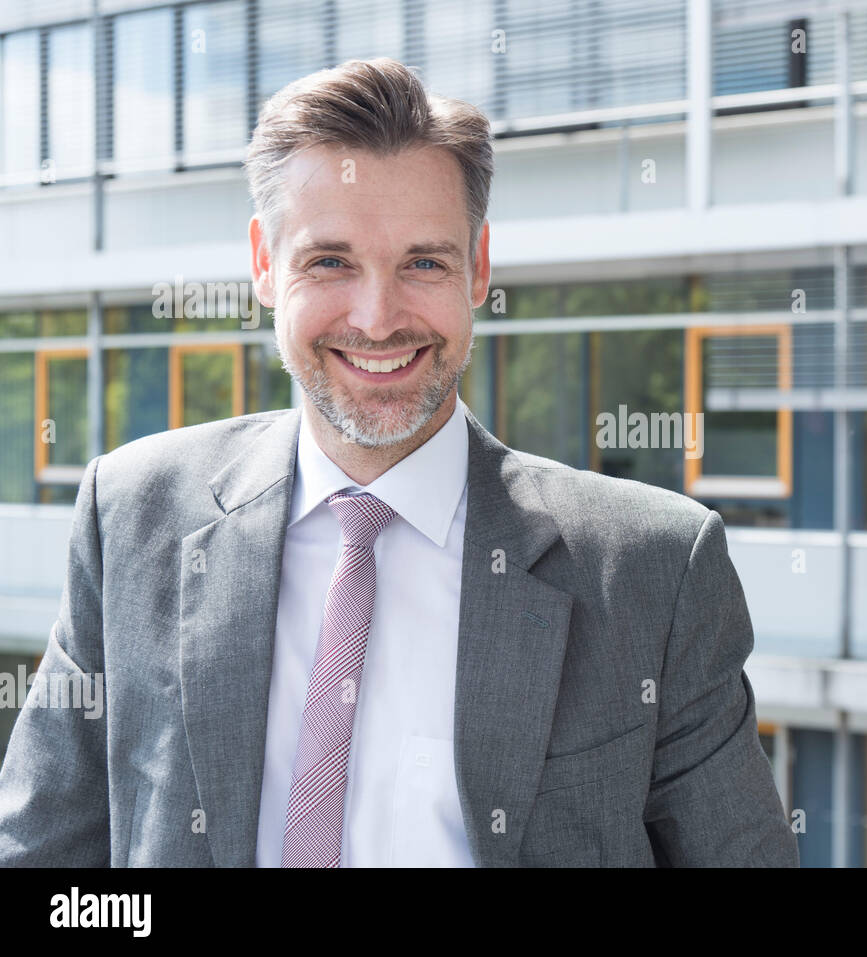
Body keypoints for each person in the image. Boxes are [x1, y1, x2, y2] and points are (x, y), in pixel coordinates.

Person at [0, 58, 798, 868]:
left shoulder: (651, 572)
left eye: (423, 262)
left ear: (477, 268)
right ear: (265, 265)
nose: (377, 319)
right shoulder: (131, 516)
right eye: (330, 262)